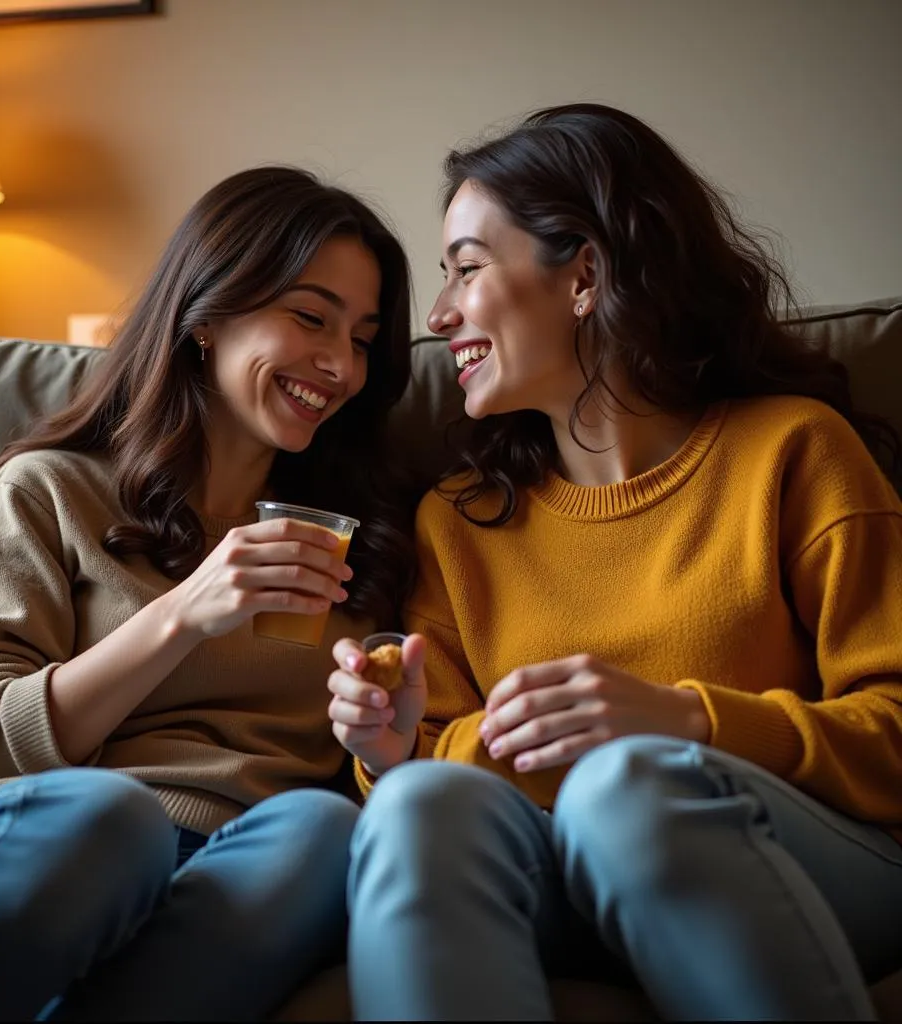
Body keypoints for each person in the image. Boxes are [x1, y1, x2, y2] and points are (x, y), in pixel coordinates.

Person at [327, 103, 902, 1021]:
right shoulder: (460, 522)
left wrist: (683, 723)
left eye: (467, 268)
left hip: (819, 863)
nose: (436, 316)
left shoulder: (796, 452)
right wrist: (391, 756)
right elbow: (440, 756)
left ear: (585, 274)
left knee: (624, 787)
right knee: (417, 808)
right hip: (552, 881)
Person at [0, 165, 414, 1021]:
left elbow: (379, 777)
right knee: (114, 820)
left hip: (248, 850)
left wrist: (386, 748)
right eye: (310, 318)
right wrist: (182, 614)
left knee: (325, 832)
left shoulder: (363, 540)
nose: (338, 364)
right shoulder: (49, 491)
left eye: (362, 338)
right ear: (207, 315)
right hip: (40, 831)